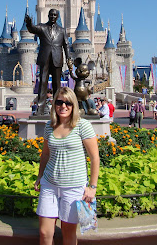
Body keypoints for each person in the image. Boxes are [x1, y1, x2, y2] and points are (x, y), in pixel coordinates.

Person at [34, 87, 99, 245]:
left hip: (73, 187)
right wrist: (40, 176)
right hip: (49, 185)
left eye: (68, 103)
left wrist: (92, 187)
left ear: (74, 105)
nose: (63, 106)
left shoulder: (82, 126)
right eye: (59, 102)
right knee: (44, 232)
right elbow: (45, 154)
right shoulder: (50, 126)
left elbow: (95, 158)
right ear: (54, 104)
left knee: (68, 234)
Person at [26, 9, 72, 115]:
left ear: (57, 17)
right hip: (44, 58)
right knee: (43, 82)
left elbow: (66, 45)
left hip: (57, 58)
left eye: (55, 15)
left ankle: (58, 107)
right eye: (51, 15)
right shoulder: (42, 27)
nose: (53, 16)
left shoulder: (62, 30)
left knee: (57, 84)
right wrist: (29, 24)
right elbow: (32, 29)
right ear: (48, 15)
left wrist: (69, 58)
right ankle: (41, 107)